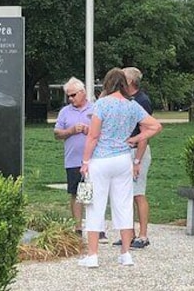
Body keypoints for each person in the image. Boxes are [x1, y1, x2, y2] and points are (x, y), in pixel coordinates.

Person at [77, 68, 163, 268]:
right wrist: (135, 138)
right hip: (123, 158)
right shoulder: (132, 106)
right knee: (124, 204)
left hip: (101, 159)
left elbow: (93, 136)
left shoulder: (102, 104)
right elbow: (155, 126)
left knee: (95, 205)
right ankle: (125, 253)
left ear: (107, 83)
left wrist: (85, 161)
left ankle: (93, 255)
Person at [53, 77, 107, 242]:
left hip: (94, 159)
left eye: (73, 95)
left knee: (95, 193)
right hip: (73, 160)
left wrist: (88, 131)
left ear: (83, 93)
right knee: (76, 193)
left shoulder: (95, 109)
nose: (70, 98)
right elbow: (57, 133)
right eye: (68, 96)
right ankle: (78, 228)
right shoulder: (65, 112)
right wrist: (70, 131)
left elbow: (105, 133)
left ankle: (98, 228)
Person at [112, 66, 154, 249]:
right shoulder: (124, 99)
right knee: (125, 194)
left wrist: (137, 160)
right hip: (123, 150)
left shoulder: (142, 101)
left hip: (137, 151)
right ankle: (128, 233)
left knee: (138, 193)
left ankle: (143, 235)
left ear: (130, 81)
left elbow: (145, 133)